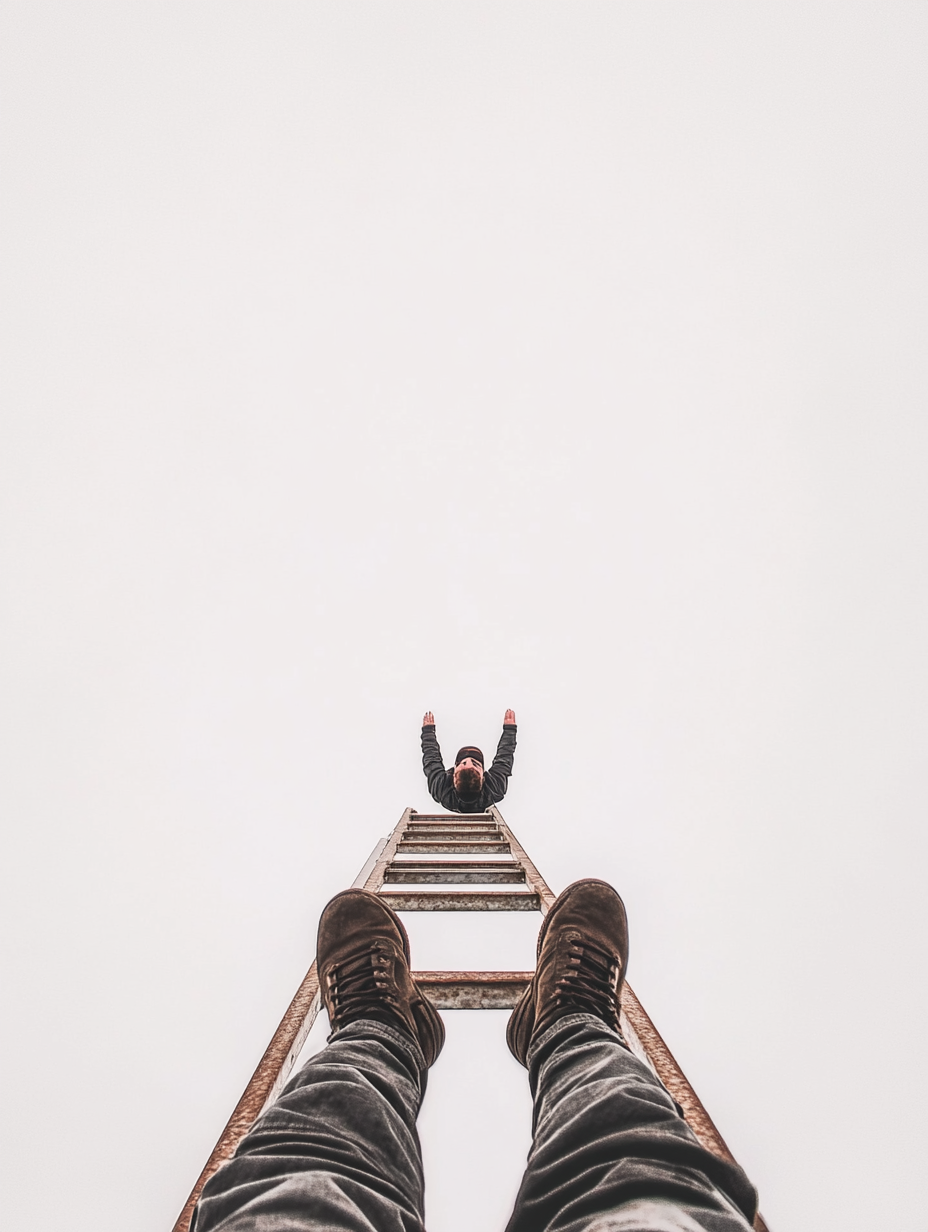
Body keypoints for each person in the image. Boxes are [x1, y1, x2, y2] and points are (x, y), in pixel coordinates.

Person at [192, 880, 759, 1232]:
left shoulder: (477, 781)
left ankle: (380, 1031)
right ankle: (567, 1025)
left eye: (472, 763)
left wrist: (490, 746)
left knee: (302, 1170)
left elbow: (482, 771)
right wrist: (437, 743)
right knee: (643, 1161)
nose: (468, 767)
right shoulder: (455, 782)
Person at [421, 708, 517, 813]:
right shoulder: (494, 788)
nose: (468, 759)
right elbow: (504, 757)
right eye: (475, 763)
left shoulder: (442, 790)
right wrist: (510, 730)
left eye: (463, 763)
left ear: (453, 777)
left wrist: (428, 732)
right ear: (483, 777)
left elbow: (431, 759)